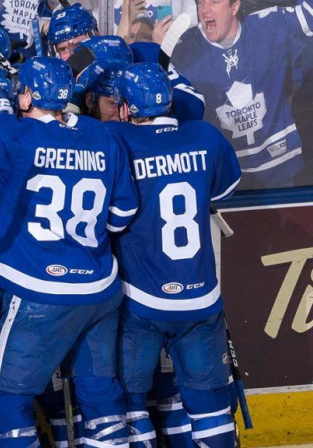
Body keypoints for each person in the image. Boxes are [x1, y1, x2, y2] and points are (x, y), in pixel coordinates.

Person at [0, 56, 140, 448]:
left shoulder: (12, 135)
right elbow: (120, 215)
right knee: (101, 397)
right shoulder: (102, 135)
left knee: (4, 404)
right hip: (100, 289)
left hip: (39, 292)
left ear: (27, 97)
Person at [106, 62, 242, 447]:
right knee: (210, 405)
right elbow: (221, 191)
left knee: (130, 402)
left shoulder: (116, 137)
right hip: (202, 298)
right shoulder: (203, 135)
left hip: (142, 301)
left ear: (127, 109)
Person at [171, 0, 313, 189]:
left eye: (214, 1)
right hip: (225, 180)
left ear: (235, 6)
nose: (204, 10)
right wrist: (159, 54)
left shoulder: (267, 25)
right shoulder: (183, 49)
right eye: (200, 2)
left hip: (282, 171)